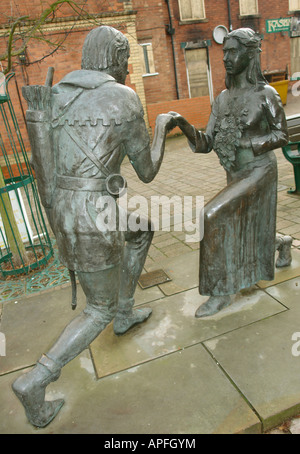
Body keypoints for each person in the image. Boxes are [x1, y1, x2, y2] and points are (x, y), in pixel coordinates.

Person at [12, 26, 175, 427]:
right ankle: (36, 380)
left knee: (141, 229)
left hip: (66, 209)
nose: (127, 65)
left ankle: (125, 311)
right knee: (94, 309)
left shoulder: (60, 94)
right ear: (116, 59)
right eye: (125, 58)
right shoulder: (123, 97)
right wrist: (162, 126)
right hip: (94, 212)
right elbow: (148, 170)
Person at [169, 28, 289, 318]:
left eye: (233, 51)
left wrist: (252, 142)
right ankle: (282, 243)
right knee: (248, 224)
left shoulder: (265, 93)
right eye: (224, 52)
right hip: (234, 173)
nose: (227, 58)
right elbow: (205, 143)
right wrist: (182, 124)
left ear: (249, 54)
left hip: (260, 171)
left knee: (212, 215)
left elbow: (282, 134)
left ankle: (220, 291)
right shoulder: (222, 99)